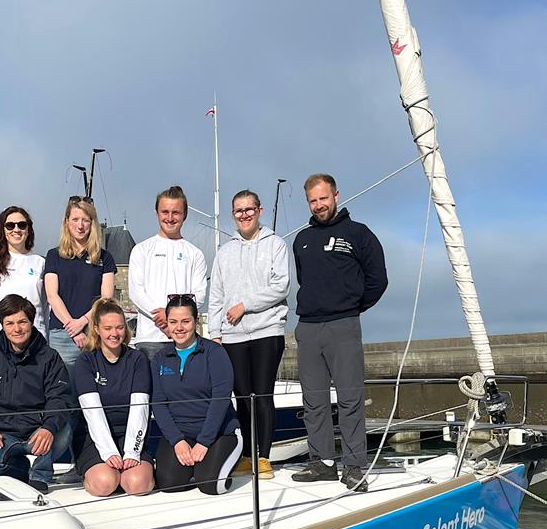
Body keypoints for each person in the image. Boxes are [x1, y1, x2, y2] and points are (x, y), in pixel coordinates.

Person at [291, 174, 387, 492]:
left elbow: (378, 280)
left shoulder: (358, 234)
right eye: (313, 201)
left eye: (323, 198)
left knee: (349, 399)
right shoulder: (301, 240)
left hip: (343, 326)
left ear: (336, 196)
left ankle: (354, 466)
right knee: (314, 401)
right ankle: (322, 463)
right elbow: (306, 279)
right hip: (308, 327)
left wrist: (351, 307)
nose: (319, 205)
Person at [208, 189, 290, 480]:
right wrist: (214, 333)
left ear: (260, 210)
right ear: (234, 215)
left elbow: (281, 286)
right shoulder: (225, 252)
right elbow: (216, 294)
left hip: (268, 330)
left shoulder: (276, 245)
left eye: (249, 209)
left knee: (263, 394)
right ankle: (246, 456)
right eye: (238, 211)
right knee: (242, 396)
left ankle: (264, 457)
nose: (244, 215)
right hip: (232, 337)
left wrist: (245, 305)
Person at [0, 294, 70, 491]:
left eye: (22, 322)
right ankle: (20, 468)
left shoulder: (49, 357)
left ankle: (41, 475)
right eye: (10, 323)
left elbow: (59, 398)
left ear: (31, 322)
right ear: (2, 325)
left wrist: (48, 427)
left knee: (64, 430)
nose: (17, 329)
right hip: (4, 434)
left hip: (38, 431)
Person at [44, 197, 117, 459]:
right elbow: (52, 296)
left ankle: (86, 462)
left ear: (93, 223)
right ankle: (56, 460)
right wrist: (71, 328)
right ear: (67, 222)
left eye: (86, 220)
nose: (81, 225)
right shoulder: (53, 256)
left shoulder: (104, 258)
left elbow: (105, 299)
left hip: (93, 335)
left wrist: (83, 324)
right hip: (61, 337)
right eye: (75, 219)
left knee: (92, 400)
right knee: (65, 400)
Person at [151, 295, 243, 494]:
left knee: (210, 485)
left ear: (196, 321)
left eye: (186, 321)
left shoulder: (214, 353)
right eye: (173, 322)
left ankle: (212, 465)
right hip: (182, 435)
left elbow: (220, 399)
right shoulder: (160, 359)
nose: (179, 328)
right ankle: (193, 467)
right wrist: (177, 440)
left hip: (218, 433)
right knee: (169, 484)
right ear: (166, 323)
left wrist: (204, 442)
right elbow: (158, 403)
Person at [73, 298, 154, 497]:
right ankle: (97, 473)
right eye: (108, 328)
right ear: (97, 329)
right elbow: (93, 412)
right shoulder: (86, 361)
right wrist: (108, 452)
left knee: (138, 485)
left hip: (130, 434)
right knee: (104, 484)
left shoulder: (137, 359)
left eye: (119, 327)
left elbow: (140, 408)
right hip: (95, 437)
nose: (114, 333)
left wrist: (132, 452)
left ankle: (124, 474)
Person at [128, 185, 207, 360]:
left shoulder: (195, 253)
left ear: (184, 215)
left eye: (176, 213)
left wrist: (174, 317)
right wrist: (162, 318)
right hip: (150, 339)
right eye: (165, 212)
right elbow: (136, 291)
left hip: (184, 339)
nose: (170, 218)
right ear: (157, 213)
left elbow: (199, 294)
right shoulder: (141, 250)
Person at [0, 206, 45, 362]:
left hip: (34, 345)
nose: (16, 229)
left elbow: (45, 309)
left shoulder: (40, 263)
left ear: (28, 229)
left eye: (21, 225)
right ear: (2, 229)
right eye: (10, 225)